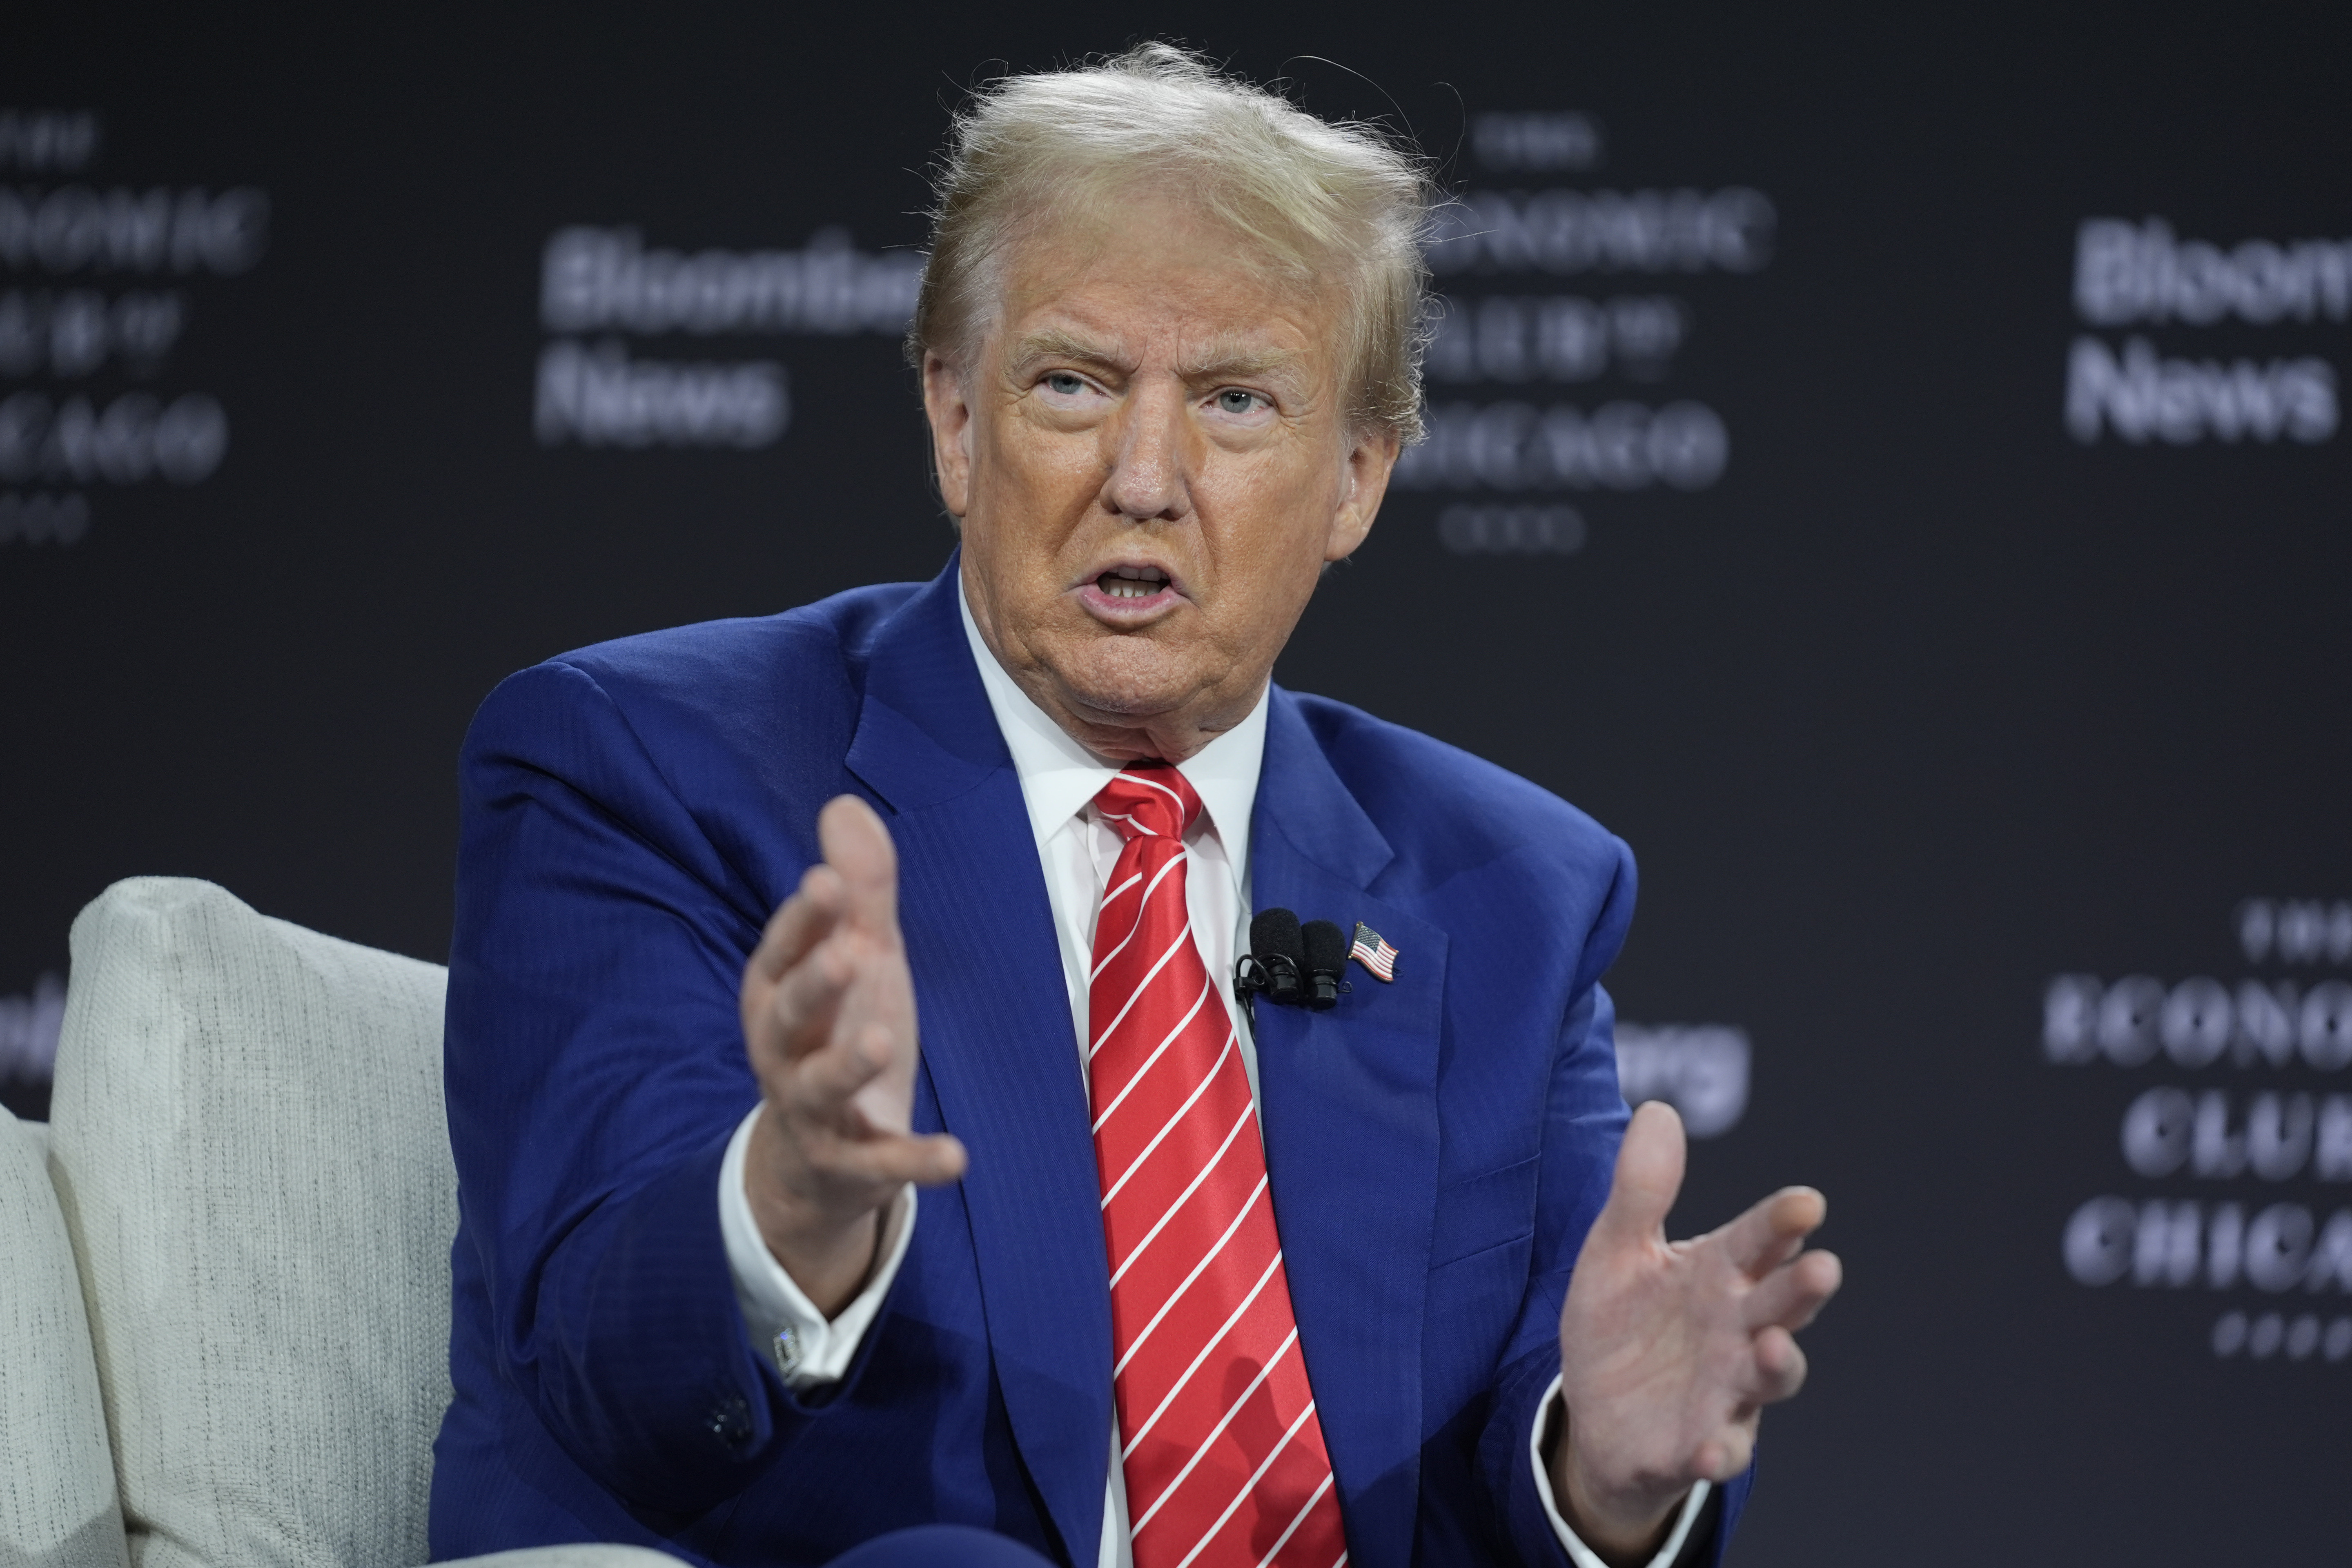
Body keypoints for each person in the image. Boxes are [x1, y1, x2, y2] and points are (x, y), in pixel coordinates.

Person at [430, 43, 1840, 1568]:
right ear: (957, 425)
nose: (1146, 477)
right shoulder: (650, 767)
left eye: (1236, 402)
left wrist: (1602, 1475)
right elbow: (601, 1369)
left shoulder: (1508, 896)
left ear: (1358, 478)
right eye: (1072, 385)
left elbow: (1531, 1432)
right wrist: (789, 1211)